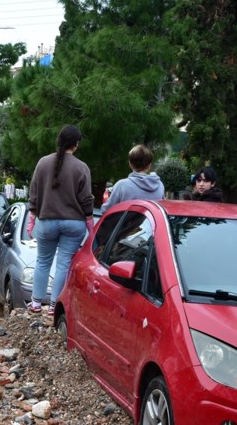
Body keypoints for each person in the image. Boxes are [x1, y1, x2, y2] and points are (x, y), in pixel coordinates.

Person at [27, 125, 94, 315]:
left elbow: (34, 193)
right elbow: (86, 199)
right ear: (76, 144)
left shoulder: (42, 163)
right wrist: (90, 223)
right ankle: (55, 305)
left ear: (59, 141)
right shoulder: (82, 167)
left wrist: (32, 217)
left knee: (42, 261)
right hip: (74, 223)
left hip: (47, 221)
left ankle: (36, 303)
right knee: (64, 263)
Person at [100, 144, 164, 211]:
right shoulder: (160, 186)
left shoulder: (121, 185)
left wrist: (106, 198)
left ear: (130, 164)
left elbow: (106, 211)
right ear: (149, 165)